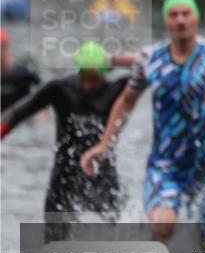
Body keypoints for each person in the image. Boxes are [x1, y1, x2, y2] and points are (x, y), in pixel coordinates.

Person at [79, 0, 205, 249]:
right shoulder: (150, 58)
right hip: (165, 166)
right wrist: (104, 145)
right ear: (166, 21)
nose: (180, 20)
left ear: (196, 18)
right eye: (174, 15)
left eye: (186, 14)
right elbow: (127, 101)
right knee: (162, 226)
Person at [1, 41, 127, 240]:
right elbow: (17, 113)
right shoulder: (60, 89)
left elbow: (151, 66)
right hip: (63, 177)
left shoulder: (118, 90)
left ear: (105, 73)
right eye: (83, 77)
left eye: (94, 79)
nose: (88, 85)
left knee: (108, 243)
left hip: (102, 176)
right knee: (54, 245)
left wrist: (116, 60)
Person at [1, 28, 41, 109]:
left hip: (20, 117)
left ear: (7, 48)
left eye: (2, 47)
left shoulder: (25, 73)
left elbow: (45, 92)